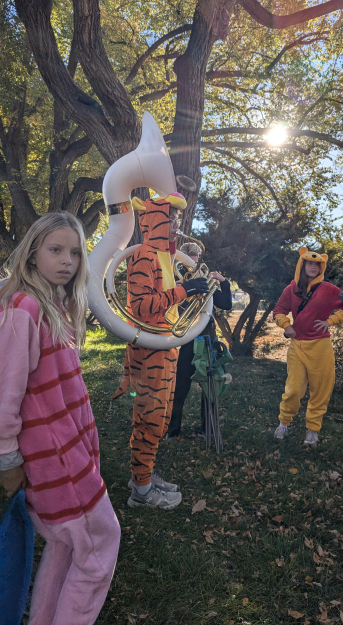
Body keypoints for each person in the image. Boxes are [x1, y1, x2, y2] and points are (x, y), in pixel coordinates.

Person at [0, 212, 120, 625]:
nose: (68, 260)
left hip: (73, 453)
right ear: (33, 253)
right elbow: (6, 395)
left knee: (68, 546)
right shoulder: (25, 308)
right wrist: (7, 459)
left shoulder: (54, 305)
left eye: (75, 252)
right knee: (100, 543)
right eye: (56, 250)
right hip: (56, 463)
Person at [112, 194, 209, 510]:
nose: (177, 225)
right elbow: (140, 307)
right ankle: (141, 492)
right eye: (170, 218)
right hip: (151, 348)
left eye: (177, 219)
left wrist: (191, 290)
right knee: (150, 418)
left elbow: (165, 300)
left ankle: (143, 475)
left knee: (160, 416)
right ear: (154, 221)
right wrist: (184, 290)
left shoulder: (165, 257)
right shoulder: (144, 255)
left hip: (165, 344)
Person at [272, 247, 343, 447]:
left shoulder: (329, 289)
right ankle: (283, 423)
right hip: (297, 346)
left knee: (320, 390)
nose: (313, 267)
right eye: (309, 263)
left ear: (321, 268)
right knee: (293, 389)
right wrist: (286, 325)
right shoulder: (292, 288)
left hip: (320, 347)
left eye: (317, 265)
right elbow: (279, 310)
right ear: (302, 265)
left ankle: (312, 430)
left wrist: (331, 321)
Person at [166, 241, 232, 440]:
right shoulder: (175, 282)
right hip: (186, 339)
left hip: (208, 339)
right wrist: (177, 290)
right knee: (180, 386)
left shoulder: (204, 281)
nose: (192, 270)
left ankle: (207, 429)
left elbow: (226, 304)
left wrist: (224, 282)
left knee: (209, 387)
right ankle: (173, 430)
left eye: (195, 265)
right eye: (187, 266)